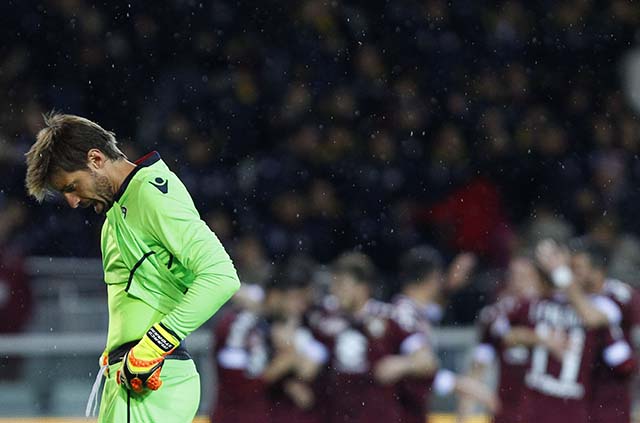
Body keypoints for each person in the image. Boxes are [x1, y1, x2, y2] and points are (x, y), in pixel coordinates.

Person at [24, 113, 240, 423]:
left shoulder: (149, 193)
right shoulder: (119, 213)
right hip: (137, 380)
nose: (72, 201)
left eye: (72, 186)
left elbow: (221, 276)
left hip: (149, 382)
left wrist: (154, 344)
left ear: (96, 159)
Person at [536, 238, 640, 423]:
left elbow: (591, 317)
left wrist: (561, 274)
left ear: (598, 271)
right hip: (579, 394)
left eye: (578, 269)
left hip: (610, 395)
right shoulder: (577, 295)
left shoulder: (618, 296)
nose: (573, 274)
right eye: (571, 268)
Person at [457, 255, 544, 423]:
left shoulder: (553, 314)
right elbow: (477, 368)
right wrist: (463, 415)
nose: (519, 282)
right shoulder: (496, 317)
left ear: (538, 279)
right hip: (509, 410)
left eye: (525, 276)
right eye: (514, 276)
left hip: (549, 409)